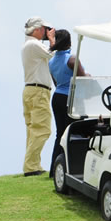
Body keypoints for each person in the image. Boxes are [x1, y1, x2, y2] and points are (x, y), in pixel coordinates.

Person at [48, 29, 88, 177]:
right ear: (69, 42)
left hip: (57, 97)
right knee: (72, 132)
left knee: (60, 134)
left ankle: (55, 168)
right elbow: (83, 79)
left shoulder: (51, 61)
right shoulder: (72, 59)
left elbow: (57, 82)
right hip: (69, 100)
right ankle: (72, 167)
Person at [21, 17, 56, 176]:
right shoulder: (34, 44)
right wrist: (52, 40)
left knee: (33, 130)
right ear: (36, 29)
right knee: (43, 129)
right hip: (39, 91)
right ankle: (31, 166)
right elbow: (52, 54)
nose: (45, 32)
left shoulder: (27, 45)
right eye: (43, 29)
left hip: (30, 90)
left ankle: (33, 164)